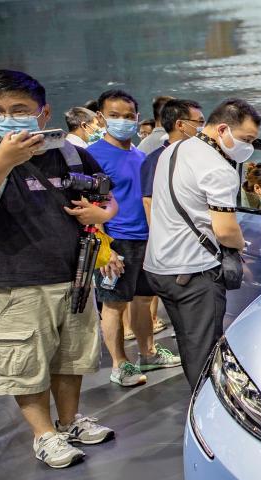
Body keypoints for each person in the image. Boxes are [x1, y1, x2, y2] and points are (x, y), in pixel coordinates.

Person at [0, 69, 119, 468]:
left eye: (19, 109)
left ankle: (70, 421)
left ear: (43, 113)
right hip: (11, 280)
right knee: (24, 363)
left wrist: (103, 212)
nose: (8, 118)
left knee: (71, 358)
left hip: (73, 277)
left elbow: (107, 195)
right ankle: (44, 435)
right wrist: (4, 161)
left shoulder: (69, 152)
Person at [144, 98, 260, 385]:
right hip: (194, 271)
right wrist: (242, 245)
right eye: (246, 139)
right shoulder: (218, 168)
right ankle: (207, 405)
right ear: (222, 129)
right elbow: (225, 231)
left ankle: (196, 394)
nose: (248, 147)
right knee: (205, 353)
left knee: (188, 342)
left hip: (160, 265)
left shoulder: (173, 150)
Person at [88, 89, 181, 387]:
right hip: (115, 241)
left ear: (137, 117)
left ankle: (148, 353)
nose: (123, 121)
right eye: (114, 115)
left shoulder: (141, 156)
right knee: (113, 305)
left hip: (146, 240)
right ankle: (120, 364)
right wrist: (104, 248)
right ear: (101, 117)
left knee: (143, 300)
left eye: (128, 116)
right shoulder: (91, 156)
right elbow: (89, 204)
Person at [138, 98, 203, 339]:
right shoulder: (156, 159)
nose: (202, 127)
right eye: (199, 122)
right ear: (180, 124)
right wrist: (159, 237)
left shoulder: (200, 156)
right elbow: (148, 201)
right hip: (172, 246)